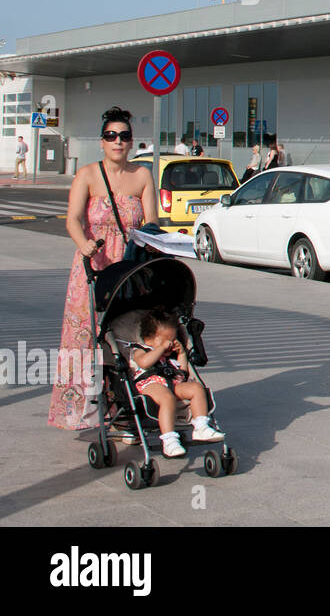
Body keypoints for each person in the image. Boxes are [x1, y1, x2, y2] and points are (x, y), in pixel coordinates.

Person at [49, 107, 158, 430]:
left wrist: (151, 241)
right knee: (85, 337)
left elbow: (151, 221)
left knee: (126, 335)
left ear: (132, 142)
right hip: (94, 265)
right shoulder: (87, 175)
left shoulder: (142, 175)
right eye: (111, 136)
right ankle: (79, 408)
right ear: (102, 142)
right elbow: (72, 219)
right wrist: (83, 244)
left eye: (124, 136)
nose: (118, 141)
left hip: (128, 266)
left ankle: (126, 406)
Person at [127, 308, 224, 456]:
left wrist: (181, 353)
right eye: (166, 340)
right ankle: (169, 440)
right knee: (167, 398)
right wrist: (160, 349)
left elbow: (183, 372)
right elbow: (145, 363)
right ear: (148, 339)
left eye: (173, 339)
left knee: (196, 388)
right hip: (150, 384)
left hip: (172, 382)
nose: (170, 343)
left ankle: (201, 426)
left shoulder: (170, 355)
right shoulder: (140, 349)